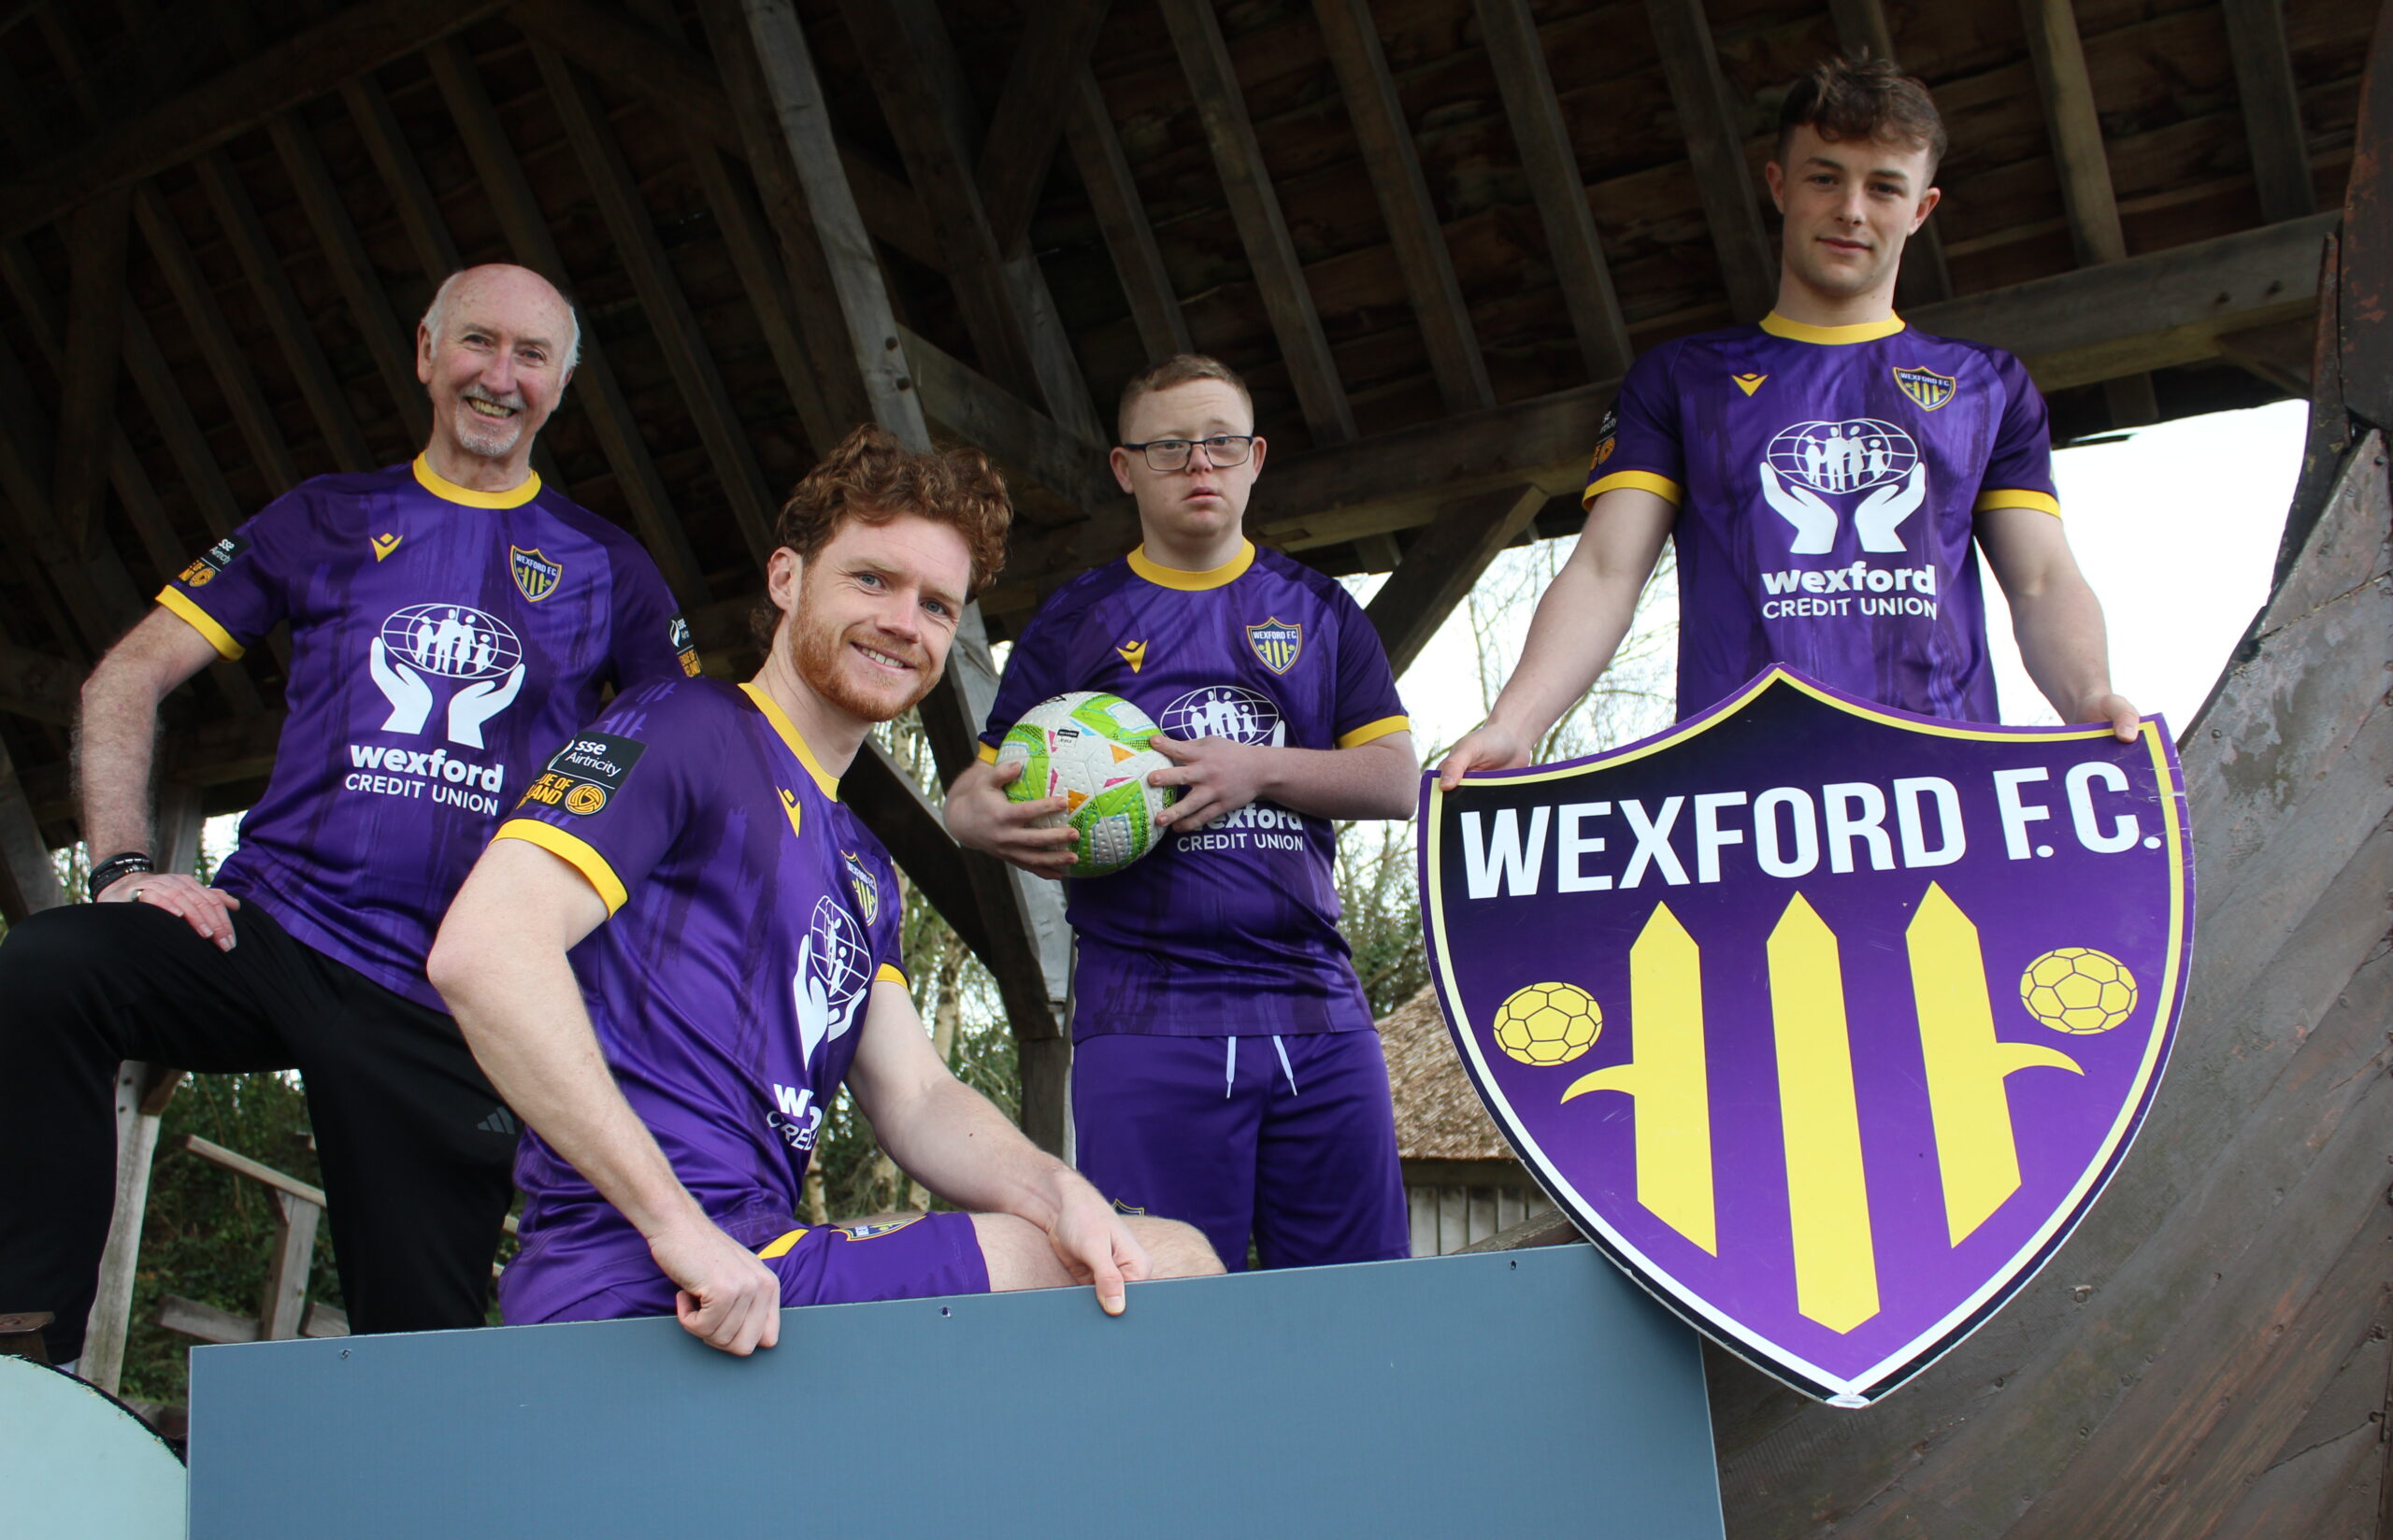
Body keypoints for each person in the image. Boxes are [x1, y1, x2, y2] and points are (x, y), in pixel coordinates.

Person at [0, 264, 698, 1367]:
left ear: (562, 384)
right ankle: (24, 1349)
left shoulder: (608, 566)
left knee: (418, 1362)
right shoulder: (327, 515)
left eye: (531, 356)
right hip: (272, 932)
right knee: (48, 969)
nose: (499, 376)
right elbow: (126, 676)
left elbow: (690, 769)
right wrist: (125, 866)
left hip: (450, 995)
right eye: (477, 342)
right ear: (426, 353)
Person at [428, 428, 1222, 1353]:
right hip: (646, 1281)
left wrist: (1059, 1192)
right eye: (872, 580)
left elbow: (916, 1096)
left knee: (1110, 1243)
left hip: (764, 1263)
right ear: (786, 579)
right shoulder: (686, 723)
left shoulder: (863, 864)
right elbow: (485, 951)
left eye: (936, 605)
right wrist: (677, 1226)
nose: (904, 622)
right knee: (1171, 1264)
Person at [1440, 54, 2138, 791]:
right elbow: (1606, 571)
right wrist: (1514, 722)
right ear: (1779, 185)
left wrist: (2089, 697)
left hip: (1944, 789)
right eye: (1825, 178)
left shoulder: (1987, 385)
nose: (1852, 210)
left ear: (1922, 208)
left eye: (1884, 187)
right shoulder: (1680, 378)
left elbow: (2041, 580)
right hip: (1741, 792)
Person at [943, 356, 1418, 1275]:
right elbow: (977, 786)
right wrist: (971, 817)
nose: (1199, 463)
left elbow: (1396, 780)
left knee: (1357, 1307)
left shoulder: (1320, 610)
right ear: (1125, 468)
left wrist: (1257, 769)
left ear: (1254, 458)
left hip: (1318, 1013)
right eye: (1168, 447)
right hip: (1146, 1020)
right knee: (1161, 1306)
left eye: (1219, 442)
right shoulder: (1076, 620)